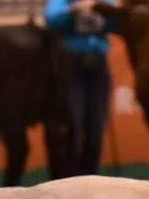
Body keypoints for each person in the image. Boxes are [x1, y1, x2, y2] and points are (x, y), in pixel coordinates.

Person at [45, 0, 112, 177]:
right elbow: (52, 18)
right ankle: (69, 177)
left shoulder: (102, 2)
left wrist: (99, 10)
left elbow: (117, 20)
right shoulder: (62, 2)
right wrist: (75, 10)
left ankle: (91, 175)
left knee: (96, 128)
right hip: (71, 68)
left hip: (98, 67)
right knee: (73, 124)